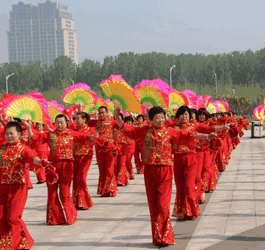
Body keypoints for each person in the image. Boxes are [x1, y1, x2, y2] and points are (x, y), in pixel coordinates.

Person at [114, 105, 213, 246]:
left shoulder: (170, 131)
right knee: (153, 205)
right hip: (149, 170)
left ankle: (165, 236)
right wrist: (118, 117)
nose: (160, 120)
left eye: (162, 117)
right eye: (157, 117)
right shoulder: (144, 130)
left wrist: (206, 136)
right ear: (150, 119)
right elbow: (128, 130)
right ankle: (157, 237)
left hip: (165, 170)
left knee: (163, 204)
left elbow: (188, 135)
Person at [30, 114, 97, 225]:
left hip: (66, 166)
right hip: (51, 166)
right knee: (52, 192)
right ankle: (55, 219)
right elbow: (34, 139)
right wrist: (28, 127)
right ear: (54, 123)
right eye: (57, 122)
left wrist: (92, 137)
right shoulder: (50, 134)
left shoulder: (71, 133)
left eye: (62, 122)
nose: (59, 125)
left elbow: (84, 137)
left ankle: (70, 216)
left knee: (64, 192)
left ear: (67, 123)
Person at [170, 106, 228, 220]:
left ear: (190, 116)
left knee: (189, 185)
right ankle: (182, 211)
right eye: (181, 114)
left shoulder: (194, 126)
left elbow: (208, 128)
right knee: (180, 186)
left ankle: (192, 210)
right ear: (178, 116)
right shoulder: (173, 126)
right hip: (177, 159)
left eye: (186, 114)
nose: (184, 116)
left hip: (191, 158)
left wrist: (223, 127)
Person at [0, 121, 42, 249]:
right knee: (2, 216)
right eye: (7, 134)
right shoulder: (2, 149)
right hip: (2, 186)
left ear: (19, 134)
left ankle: (13, 245)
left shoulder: (23, 148)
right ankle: (23, 241)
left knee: (13, 217)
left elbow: (30, 155)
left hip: (18, 187)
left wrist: (36, 159)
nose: (9, 136)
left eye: (11, 133)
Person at [87, 106, 119, 197]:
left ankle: (111, 189)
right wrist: (80, 109)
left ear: (107, 113)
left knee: (109, 169)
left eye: (103, 112)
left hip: (109, 148)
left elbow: (121, 126)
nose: (101, 114)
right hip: (99, 149)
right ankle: (103, 189)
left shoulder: (112, 122)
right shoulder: (96, 123)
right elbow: (84, 121)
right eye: (99, 113)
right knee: (102, 170)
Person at [71, 112, 97, 210]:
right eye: (76, 118)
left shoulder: (91, 130)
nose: (76, 120)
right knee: (75, 178)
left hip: (86, 156)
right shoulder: (74, 130)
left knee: (81, 177)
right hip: (75, 156)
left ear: (85, 120)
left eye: (78, 118)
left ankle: (85, 200)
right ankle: (77, 201)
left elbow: (95, 140)